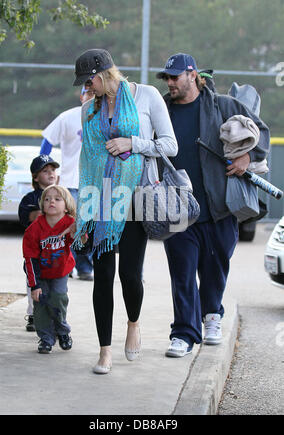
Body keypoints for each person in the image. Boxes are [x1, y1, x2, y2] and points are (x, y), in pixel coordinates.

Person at [70, 48, 178, 374]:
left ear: (104, 73)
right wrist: (84, 214)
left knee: (129, 274)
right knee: (101, 276)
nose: (87, 89)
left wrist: (134, 143)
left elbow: (170, 145)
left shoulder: (146, 95)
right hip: (101, 198)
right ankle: (104, 350)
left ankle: (133, 322)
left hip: (135, 196)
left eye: (90, 81)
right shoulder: (89, 109)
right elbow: (87, 161)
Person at [156, 53, 270, 357]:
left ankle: (212, 315)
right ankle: (183, 333)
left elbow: (262, 133)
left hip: (219, 208)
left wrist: (247, 157)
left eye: (175, 77)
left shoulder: (223, 105)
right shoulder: (161, 111)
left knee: (214, 269)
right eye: (166, 78)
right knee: (181, 271)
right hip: (177, 209)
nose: (170, 83)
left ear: (192, 75)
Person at [40, 87, 94, 281]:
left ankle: (85, 267)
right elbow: (48, 140)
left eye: (94, 93)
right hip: (70, 181)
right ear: (81, 96)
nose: (91, 96)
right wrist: (43, 166)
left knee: (86, 228)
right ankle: (65, 265)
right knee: (66, 226)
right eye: (87, 93)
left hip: (93, 184)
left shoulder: (105, 118)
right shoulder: (67, 117)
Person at [22, 184, 77, 354]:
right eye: (47, 199)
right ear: (42, 205)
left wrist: (78, 231)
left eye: (57, 199)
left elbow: (83, 243)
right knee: (41, 304)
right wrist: (34, 284)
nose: (51, 201)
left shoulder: (71, 223)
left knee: (58, 298)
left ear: (67, 206)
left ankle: (62, 331)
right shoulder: (34, 229)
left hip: (61, 271)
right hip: (41, 273)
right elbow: (30, 259)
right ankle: (46, 338)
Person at [18, 154, 60, 332]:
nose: (51, 174)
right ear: (35, 177)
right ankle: (34, 314)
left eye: (53, 170)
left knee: (58, 287)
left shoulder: (62, 196)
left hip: (57, 252)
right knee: (33, 284)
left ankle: (56, 315)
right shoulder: (30, 199)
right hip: (36, 252)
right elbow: (33, 217)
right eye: (45, 171)